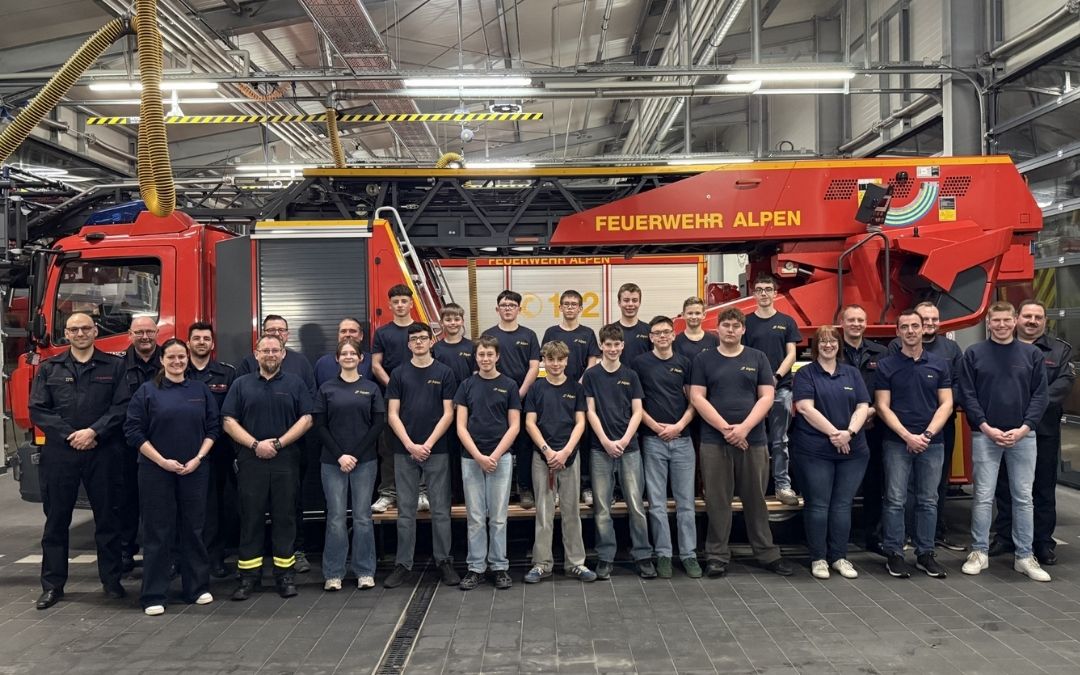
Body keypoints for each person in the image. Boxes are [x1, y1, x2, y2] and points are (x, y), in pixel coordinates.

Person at [30, 312, 130, 610]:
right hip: (61, 454)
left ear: (95, 331)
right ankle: (52, 586)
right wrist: (71, 435)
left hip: (103, 451)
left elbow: (122, 405)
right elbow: (38, 409)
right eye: (74, 329)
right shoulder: (49, 369)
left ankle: (111, 582)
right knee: (57, 521)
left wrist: (93, 432)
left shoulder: (115, 366)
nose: (80, 333)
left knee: (108, 520)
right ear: (67, 334)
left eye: (86, 328)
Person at [690, 308, 794, 578]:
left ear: (743, 329)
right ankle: (716, 556)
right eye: (726, 325)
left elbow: (767, 396)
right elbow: (698, 398)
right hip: (715, 441)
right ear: (718, 329)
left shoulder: (757, 358)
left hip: (754, 441)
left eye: (736, 326)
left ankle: (767, 554)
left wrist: (744, 429)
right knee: (717, 501)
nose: (731, 330)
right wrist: (727, 429)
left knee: (756, 500)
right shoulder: (704, 359)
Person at [124, 338, 220, 615]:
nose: (177, 362)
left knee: (194, 529)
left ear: (187, 359)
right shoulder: (146, 392)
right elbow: (133, 432)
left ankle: (197, 588)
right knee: (157, 531)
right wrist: (162, 461)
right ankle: (154, 594)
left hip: (194, 470)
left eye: (182, 357)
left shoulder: (200, 390)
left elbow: (213, 428)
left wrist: (198, 459)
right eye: (172, 357)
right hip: (155, 472)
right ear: (162, 360)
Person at [959, 301, 1050, 581]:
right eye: (995, 321)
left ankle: (1024, 556)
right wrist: (986, 427)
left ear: (1014, 322)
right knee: (983, 496)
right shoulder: (973, 354)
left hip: (1023, 437)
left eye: (1006, 320)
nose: (1001, 325)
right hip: (985, 435)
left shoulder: (1032, 354)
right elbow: (967, 394)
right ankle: (979, 552)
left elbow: (1040, 396)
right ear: (988, 322)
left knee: (1023, 498)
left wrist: (1024, 428)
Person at [221, 334, 314, 600]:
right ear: (256, 353)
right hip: (251, 461)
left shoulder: (295, 384)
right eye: (266, 350)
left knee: (285, 518)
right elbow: (228, 421)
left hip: (285, 460)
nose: (271, 354)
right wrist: (254, 445)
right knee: (250, 518)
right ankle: (248, 578)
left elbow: (307, 419)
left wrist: (278, 443)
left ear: (284, 354)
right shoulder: (241, 384)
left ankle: (284, 576)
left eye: (276, 350)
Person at [990, 300, 1075, 565]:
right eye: (1027, 316)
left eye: (1038, 317)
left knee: (1042, 487)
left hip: (1043, 430)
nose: (1032, 321)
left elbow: (1063, 384)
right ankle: (1004, 536)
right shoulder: (1000, 348)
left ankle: (1042, 543)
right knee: (1004, 486)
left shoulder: (1059, 351)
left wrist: (1030, 407)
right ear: (1017, 318)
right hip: (1006, 429)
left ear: (1044, 321)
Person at [874, 310, 953, 579]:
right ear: (897, 332)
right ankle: (894, 553)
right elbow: (882, 406)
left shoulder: (940, 364)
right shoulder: (886, 365)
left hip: (933, 443)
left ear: (923, 329)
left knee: (928, 501)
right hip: (897, 443)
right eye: (904, 326)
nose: (910, 331)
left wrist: (927, 435)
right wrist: (907, 436)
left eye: (915, 326)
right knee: (895, 500)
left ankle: (925, 554)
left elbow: (947, 404)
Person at [790, 325, 870, 580]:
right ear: (816, 346)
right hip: (814, 450)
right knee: (818, 505)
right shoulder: (805, 374)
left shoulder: (852, 373)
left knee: (842, 505)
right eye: (822, 341)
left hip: (853, 450)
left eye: (832, 341)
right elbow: (804, 408)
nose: (828, 345)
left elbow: (863, 406)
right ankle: (819, 558)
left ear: (839, 345)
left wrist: (850, 433)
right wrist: (835, 434)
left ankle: (839, 557)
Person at [383, 322, 459, 589]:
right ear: (408, 344)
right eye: (413, 339)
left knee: (440, 511)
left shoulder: (445, 373)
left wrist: (427, 443)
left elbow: (449, 413)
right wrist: (410, 444)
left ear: (431, 341)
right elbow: (392, 414)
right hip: (404, 451)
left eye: (423, 338)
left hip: (436, 450)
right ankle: (403, 564)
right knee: (405, 511)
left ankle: (444, 562)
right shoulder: (398, 374)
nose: (418, 342)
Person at [888, 301, 965, 551]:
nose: (928, 324)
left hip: (939, 428)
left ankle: (933, 536)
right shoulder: (895, 349)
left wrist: (934, 421)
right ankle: (907, 536)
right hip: (903, 431)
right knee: (901, 490)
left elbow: (957, 385)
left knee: (935, 487)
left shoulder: (950, 350)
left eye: (933, 320)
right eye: (924, 319)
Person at [523, 340, 596, 584]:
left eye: (560, 360)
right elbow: (530, 423)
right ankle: (542, 564)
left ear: (566, 361)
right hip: (542, 458)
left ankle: (576, 563)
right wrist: (547, 451)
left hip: (569, 457)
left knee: (571, 511)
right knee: (543, 512)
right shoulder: (536, 389)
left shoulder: (576, 389)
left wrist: (565, 452)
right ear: (543, 361)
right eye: (550, 359)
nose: (555, 364)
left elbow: (580, 423)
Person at [633, 316, 700, 578]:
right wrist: (656, 427)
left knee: (686, 504)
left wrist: (678, 426)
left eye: (666, 332)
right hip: (653, 441)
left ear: (674, 335)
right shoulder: (639, 364)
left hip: (682, 441)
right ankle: (663, 554)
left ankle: (689, 555)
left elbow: (694, 401)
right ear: (650, 337)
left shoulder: (685, 363)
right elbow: (636, 403)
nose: (662, 336)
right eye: (657, 333)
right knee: (657, 504)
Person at [583, 324, 652, 580]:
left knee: (636, 504)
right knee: (602, 507)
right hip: (600, 449)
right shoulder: (591, 376)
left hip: (629, 448)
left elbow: (637, 412)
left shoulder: (631, 375)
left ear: (622, 346)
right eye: (607, 345)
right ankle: (605, 557)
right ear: (601, 346)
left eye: (616, 345)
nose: (612, 349)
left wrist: (623, 440)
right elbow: (590, 411)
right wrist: (605, 441)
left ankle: (643, 556)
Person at [316, 338, 385, 591]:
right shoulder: (326, 388)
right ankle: (333, 573)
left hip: (364, 462)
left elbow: (377, 425)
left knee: (363, 517)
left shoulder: (371, 388)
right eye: (343, 353)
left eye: (352, 353)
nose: (348, 357)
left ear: (360, 358)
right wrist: (340, 455)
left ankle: (365, 571)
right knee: (335, 518)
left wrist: (354, 454)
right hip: (332, 462)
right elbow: (320, 426)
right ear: (337, 358)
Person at [455, 335, 521, 590]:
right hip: (471, 459)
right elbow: (460, 426)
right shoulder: (466, 385)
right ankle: (475, 567)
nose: (485, 359)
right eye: (481, 354)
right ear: (476, 357)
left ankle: (499, 566)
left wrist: (494, 456)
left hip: (501, 459)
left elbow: (514, 426)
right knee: (475, 516)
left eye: (489, 354)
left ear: (497, 357)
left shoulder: (509, 385)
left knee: (498, 517)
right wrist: (479, 457)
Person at [742, 274, 801, 506]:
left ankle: (782, 486)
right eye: (759, 289)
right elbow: (742, 354)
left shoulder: (787, 321)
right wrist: (758, 383)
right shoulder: (746, 322)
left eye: (768, 289)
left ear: (775, 293)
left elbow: (792, 355)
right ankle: (752, 488)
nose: (764, 293)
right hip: (752, 392)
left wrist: (775, 377)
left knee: (780, 440)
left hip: (781, 389)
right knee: (752, 439)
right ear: (754, 294)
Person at [186, 321, 237, 579]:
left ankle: (215, 558)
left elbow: (233, 412)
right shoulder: (178, 370)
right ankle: (183, 559)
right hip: (183, 449)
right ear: (189, 343)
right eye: (197, 338)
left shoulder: (227, 374)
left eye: (206, 338)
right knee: (184, 506)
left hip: (218, 451)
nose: (202, 342)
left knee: (217, 505)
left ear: (212, 344)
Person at [542, 289, 600, 506]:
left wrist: (577, 386)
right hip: (554, 394)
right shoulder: (550, 332)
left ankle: (585, 486)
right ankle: (553, 487)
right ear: (560, 307)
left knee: (582, 438)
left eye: (574, 304)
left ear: (581, 308)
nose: (570, 307)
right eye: (565, 303)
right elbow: (545, 362)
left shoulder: (588, 334)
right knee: (553, 436)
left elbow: (592, 362)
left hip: (578, 393)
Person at [839, 304, 889, 555]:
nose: (856, 324)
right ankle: (839, 537)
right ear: (842, 322)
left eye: (860, 319)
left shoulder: (881, 352)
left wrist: (870, 412)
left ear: (866, 323)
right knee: (840, 484)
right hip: (839, 429)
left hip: (873, 426)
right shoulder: (833, 350)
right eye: (851, 319)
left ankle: (873, 536)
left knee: (874, 483)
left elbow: (888, 388)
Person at [482, 290, 540, 508]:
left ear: (519, 309)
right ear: (497, 309)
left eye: (512, 305)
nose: (508, 308)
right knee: (498, 442)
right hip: (495, 401)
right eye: (504, 305)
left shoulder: (529, 335)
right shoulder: (489, 335)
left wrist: (519, 393)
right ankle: (499, 491)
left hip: (523, 398)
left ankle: (524, 488)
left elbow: (534, 367)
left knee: (524, 445)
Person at [119, 315, 162, 571]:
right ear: (130, 335)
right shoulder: (117, 366)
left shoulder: (170, 361)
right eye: (139, 332)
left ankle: (161, 555)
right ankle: (126, 552)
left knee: (160, 502)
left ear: (157, 333)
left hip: (163, 442)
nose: (144, 337)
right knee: (126, 499)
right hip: (127, 445)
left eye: (149, 332)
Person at [371, 285, 419, 513]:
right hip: (391, 397)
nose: (400, 305)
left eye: (404, 301)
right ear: (389, 305)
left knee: (420, 443)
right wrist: (396, 388)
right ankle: (388, 493)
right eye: (396, 301)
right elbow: (376, 365)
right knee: (388, 446)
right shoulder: (382, 333)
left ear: (411, 304)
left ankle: (422, 491)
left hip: (419, 398)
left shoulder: (421, 330)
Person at [432, 303, 475, 503]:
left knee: (464, 450)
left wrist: (462, 400)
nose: (453, 323)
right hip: (442, 408)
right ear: (442, 323)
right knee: (445, 451)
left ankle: (464, 494)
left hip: (466, 408)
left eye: (456, 319)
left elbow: (475, 378)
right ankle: (447, 494)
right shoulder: (436, 348)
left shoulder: (472, 347)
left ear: (462, 321)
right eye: (448, 319)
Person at [314, 318, 373, 386]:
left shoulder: (372, 363)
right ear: (338, 336)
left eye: (352, 331)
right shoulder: (323, 364)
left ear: (361, 335)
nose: (347, 335)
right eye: (343, 331)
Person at [674, 296, 719, 362]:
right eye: (690, 313)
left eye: (697, 313)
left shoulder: (714, 340)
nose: (694, 317)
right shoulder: (675, 342)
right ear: (683, 315)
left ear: (704, 315)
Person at [616, 283, 652, 364]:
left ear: (639, 303)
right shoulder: (611, 330)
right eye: (626, 300)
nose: (630, 304)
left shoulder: (649, 330)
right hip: (618, 376)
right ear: (619, 303)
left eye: (635, 300)